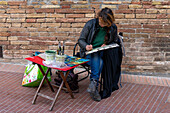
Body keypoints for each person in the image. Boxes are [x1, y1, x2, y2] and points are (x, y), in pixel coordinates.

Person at [78, 7, 122, 101]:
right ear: (99, 17)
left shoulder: (113, 28)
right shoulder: (91, 24)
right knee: (97, 58)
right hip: (89, 54)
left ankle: (93, 85)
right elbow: (81, 40)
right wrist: (86, 46)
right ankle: (94, 85)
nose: (102, 25)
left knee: (99, 57)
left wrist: (106, 44)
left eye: (104, 23)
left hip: (104, 54)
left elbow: (114, 41)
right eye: (100, 21)